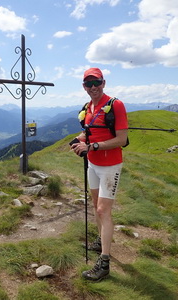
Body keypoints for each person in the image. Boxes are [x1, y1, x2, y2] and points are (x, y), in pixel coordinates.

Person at [70, 67, 128, 281]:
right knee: (96, 206)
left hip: (110, 165)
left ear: (104, 83)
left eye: (97, 83)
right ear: (84, 87)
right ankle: (100, 242)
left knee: (104, 210)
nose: (93, 87)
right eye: (89, 84)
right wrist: (79, 141)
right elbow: (88, 132)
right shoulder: (88, 107)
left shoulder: (116, 105)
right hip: (92, 165)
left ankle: (104, 263)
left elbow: (121, 140)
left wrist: (91, 147)